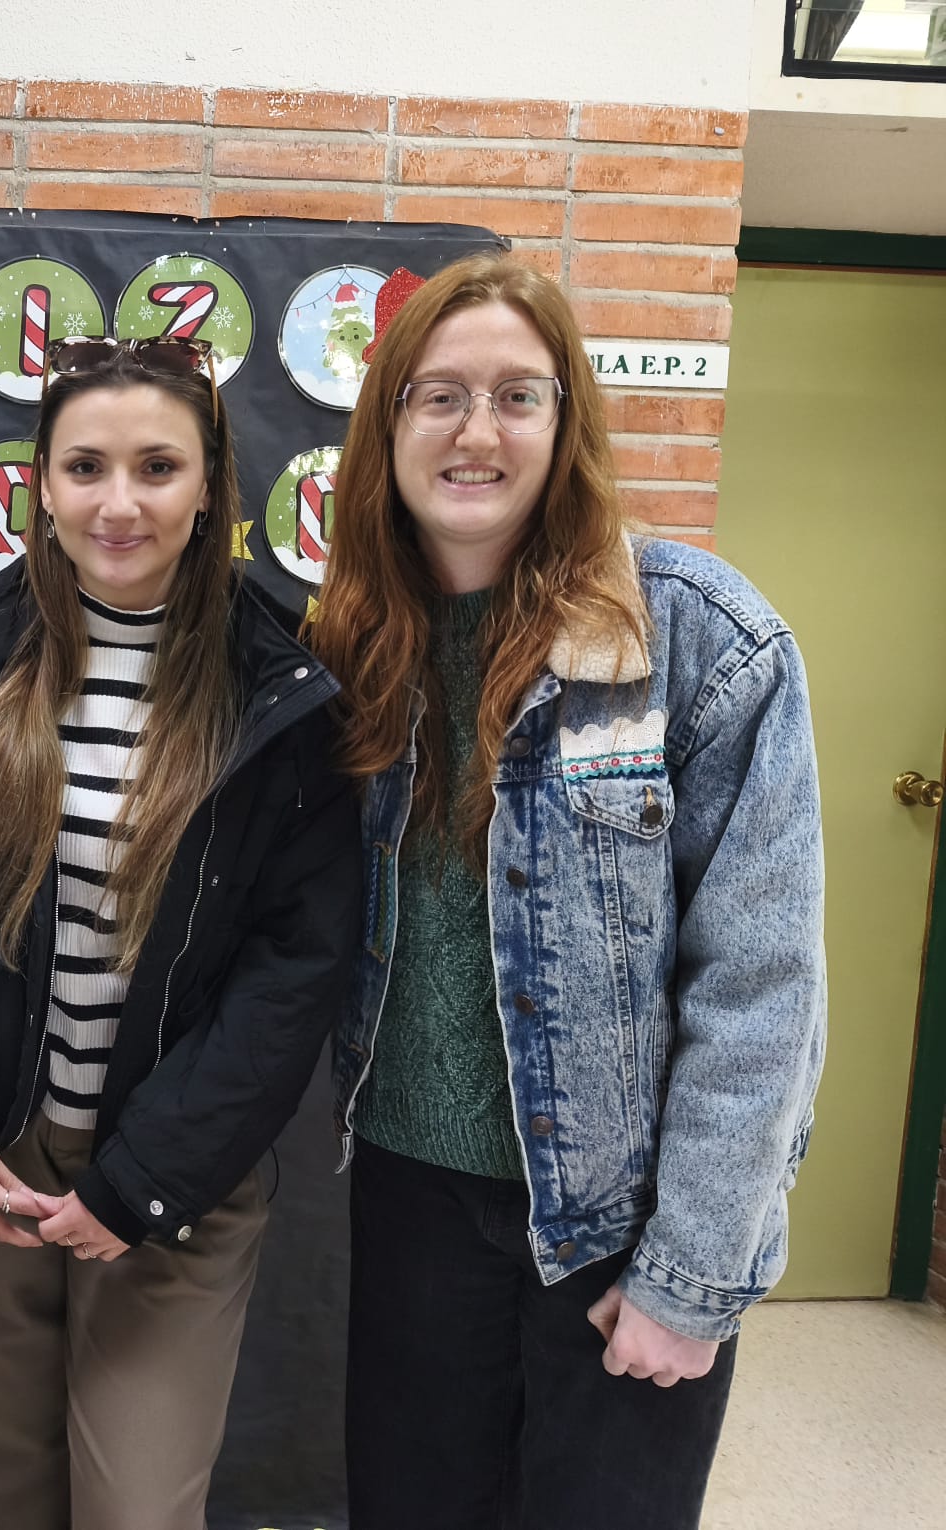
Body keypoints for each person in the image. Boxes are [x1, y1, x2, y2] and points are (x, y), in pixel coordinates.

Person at [306, 253, 826, 1529]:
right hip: (412, 1204)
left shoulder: (700, 640)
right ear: (387, 426)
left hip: (618, 1227)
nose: (476, 432)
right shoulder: (350, 648)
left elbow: (762, 989)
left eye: (517, 396)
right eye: (439, 395)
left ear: (566, 420)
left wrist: (690, 1277)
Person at [0, 334, 363, 1530]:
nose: (118, 504)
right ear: (41, 484)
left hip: (175, 1174)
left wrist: (145, 1183)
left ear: (210, 486)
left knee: (137, 1504)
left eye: (156, 468)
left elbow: (293, 972)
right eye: (85, 468)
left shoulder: (279, 699)